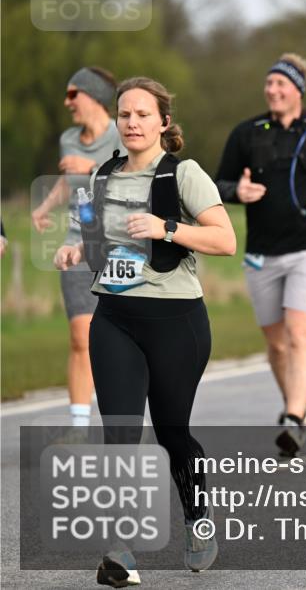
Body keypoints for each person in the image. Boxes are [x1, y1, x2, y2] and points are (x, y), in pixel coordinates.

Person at [54, 77, 236, 585]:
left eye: (142, 114)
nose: (131, 123)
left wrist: (167, 229)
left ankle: (198, 519)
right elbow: (85, 233)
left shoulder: (184, 174)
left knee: (173, 432)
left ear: (162, 122)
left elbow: (226, 240)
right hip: (114, 317)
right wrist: (74, 250)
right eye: (124, 114)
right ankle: (120, 552)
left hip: (177, 322)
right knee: (120, 433)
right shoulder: (102, 175)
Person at [215, 53, 306, 457]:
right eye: (268, 84)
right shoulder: (246, 134)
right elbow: (217, 183)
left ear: (298, 89)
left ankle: (294, 419)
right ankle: (297, 402)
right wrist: (236, 193)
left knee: (301, 335)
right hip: (262, 252)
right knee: (277, 345)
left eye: (281, 84)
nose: (272, 90)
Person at [31, 67, 120, 429]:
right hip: (75, 241)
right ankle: (80, 427)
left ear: (94, 95)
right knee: (81, 336)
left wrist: (92, 166)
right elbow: (70, 182)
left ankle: (126, 418)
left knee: (120, 339)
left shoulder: (123, 131)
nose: (68, 103)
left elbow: (135, 175)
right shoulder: (69, 138)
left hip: (118, 244)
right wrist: (45, 205)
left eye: (74, 94)